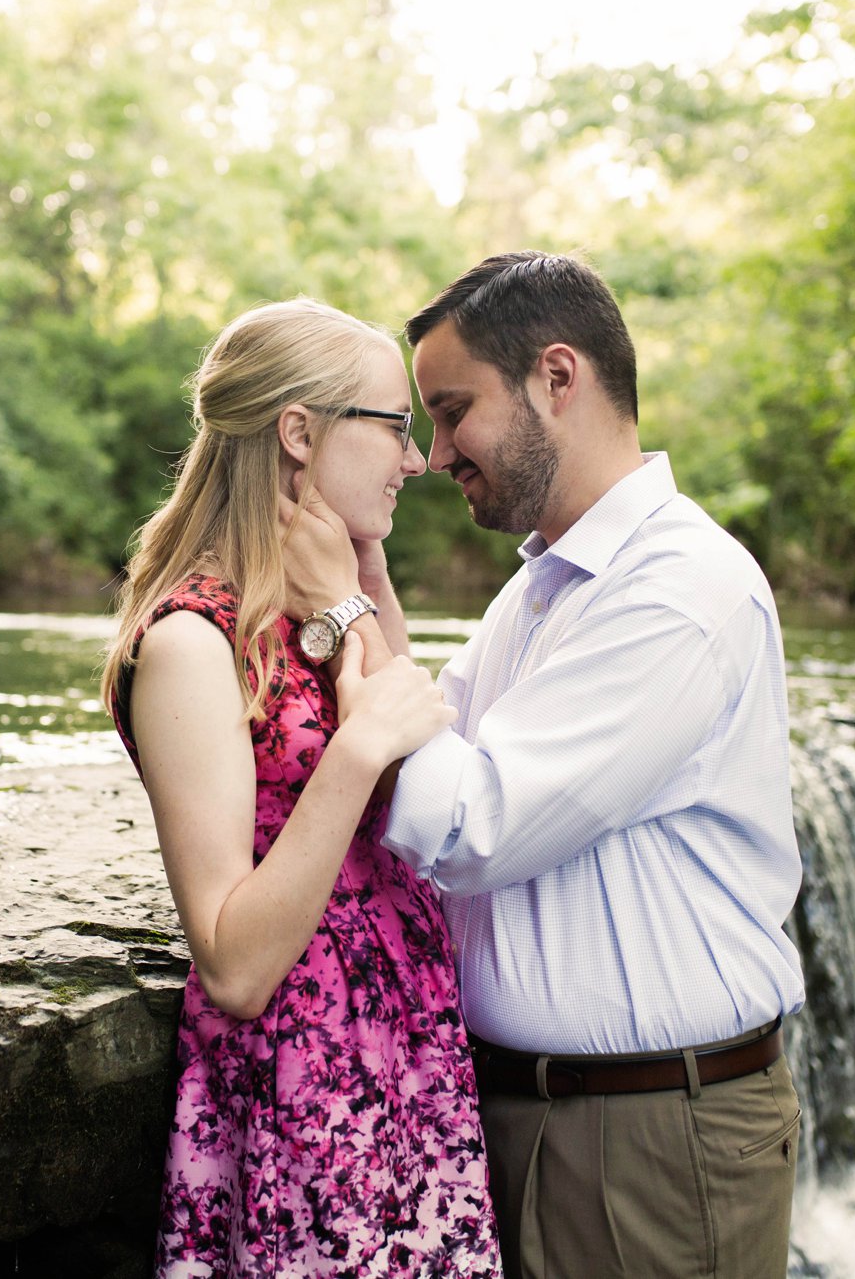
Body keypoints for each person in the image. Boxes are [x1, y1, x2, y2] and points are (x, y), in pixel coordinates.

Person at [281, 252, 807, 1279]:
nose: (431, 456)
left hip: (647, 1139)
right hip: (526, 1117)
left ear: (555, 379)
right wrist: (372, 582)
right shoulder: (544, 590)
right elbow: (426, 730)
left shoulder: (677, 587)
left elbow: (464, 822)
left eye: (450, 410)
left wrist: (339, 609)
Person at [101, 297, 503, 1279]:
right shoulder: (194, 644)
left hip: (408, 1080)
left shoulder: (313, 606)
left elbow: (415, 731)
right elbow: (234, 965)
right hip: (305, 1099)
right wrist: (354, 750)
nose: (418, 460)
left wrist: (356, 581)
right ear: (297, 433)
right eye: (396, 427)